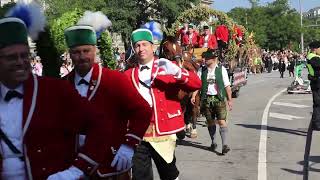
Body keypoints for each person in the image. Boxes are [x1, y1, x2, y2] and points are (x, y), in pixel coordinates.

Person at [0, 6, 114, 179]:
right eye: (11, 57)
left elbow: (101, 125)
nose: (20, 62)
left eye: (24, 56)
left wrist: (76, 170)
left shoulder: (54, 91)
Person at [63, 11, 152, 179]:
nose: (82, 57)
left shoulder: (114, 79)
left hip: (111, 165)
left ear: (94, 51)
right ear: (69, 54)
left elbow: (143, 110)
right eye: (76, 52)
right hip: (74, 168)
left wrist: (129, 145)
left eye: (86, 51)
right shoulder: (63, 84)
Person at [125, 28, 201, 180]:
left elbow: (196, 84)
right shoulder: (128, 75)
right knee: (140, 176)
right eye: (138, 45)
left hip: (163, 133)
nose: (141, 48)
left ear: (153, 47)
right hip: (138, 136)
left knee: (169, 175)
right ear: (134, 49)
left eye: (145, 44)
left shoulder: (167, 67)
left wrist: (178, 71)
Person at [192, 49, 233, 155]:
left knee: (221, 121)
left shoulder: (221, 69)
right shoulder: (202, 70)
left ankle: (224, 145)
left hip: (219, 99)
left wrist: (229, 100)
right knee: (210, 122)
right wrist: (193, 95)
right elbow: (197, 84)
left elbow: (227, 86)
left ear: (213, 59)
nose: (204, 59)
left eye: (207, 58)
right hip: (206, 99)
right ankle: (213, 142)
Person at [306, 41, 320, 130]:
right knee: (318, 104)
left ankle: (316, 123)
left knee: (317, 103)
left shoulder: (315, 56)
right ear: (315, 49)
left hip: (316, 81)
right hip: (316, 82)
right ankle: (317, 124)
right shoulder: (313, 57)